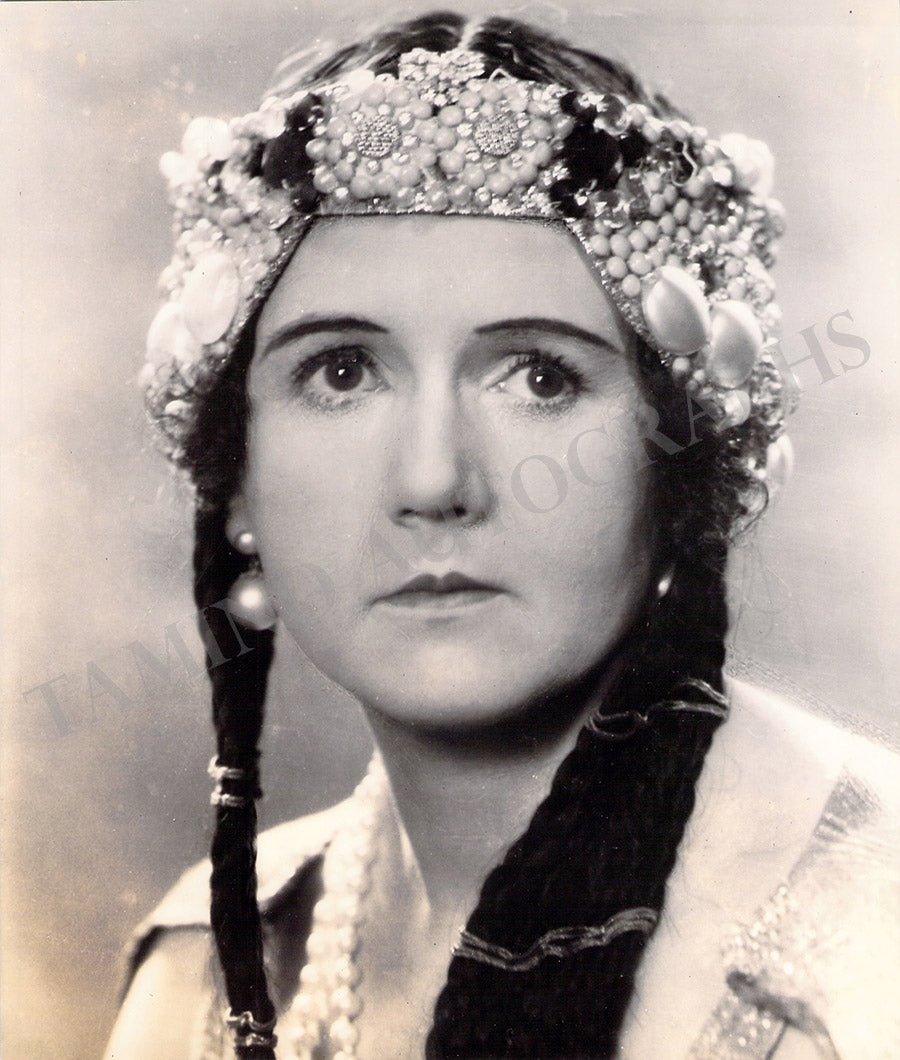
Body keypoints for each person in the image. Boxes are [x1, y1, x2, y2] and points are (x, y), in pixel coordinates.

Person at [104, 12, 900, 1060]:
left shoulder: (869, 949)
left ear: (679, 457)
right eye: (342, 371)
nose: (435, 481)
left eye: (541, 377)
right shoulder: (199, 980)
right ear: (236, 478)